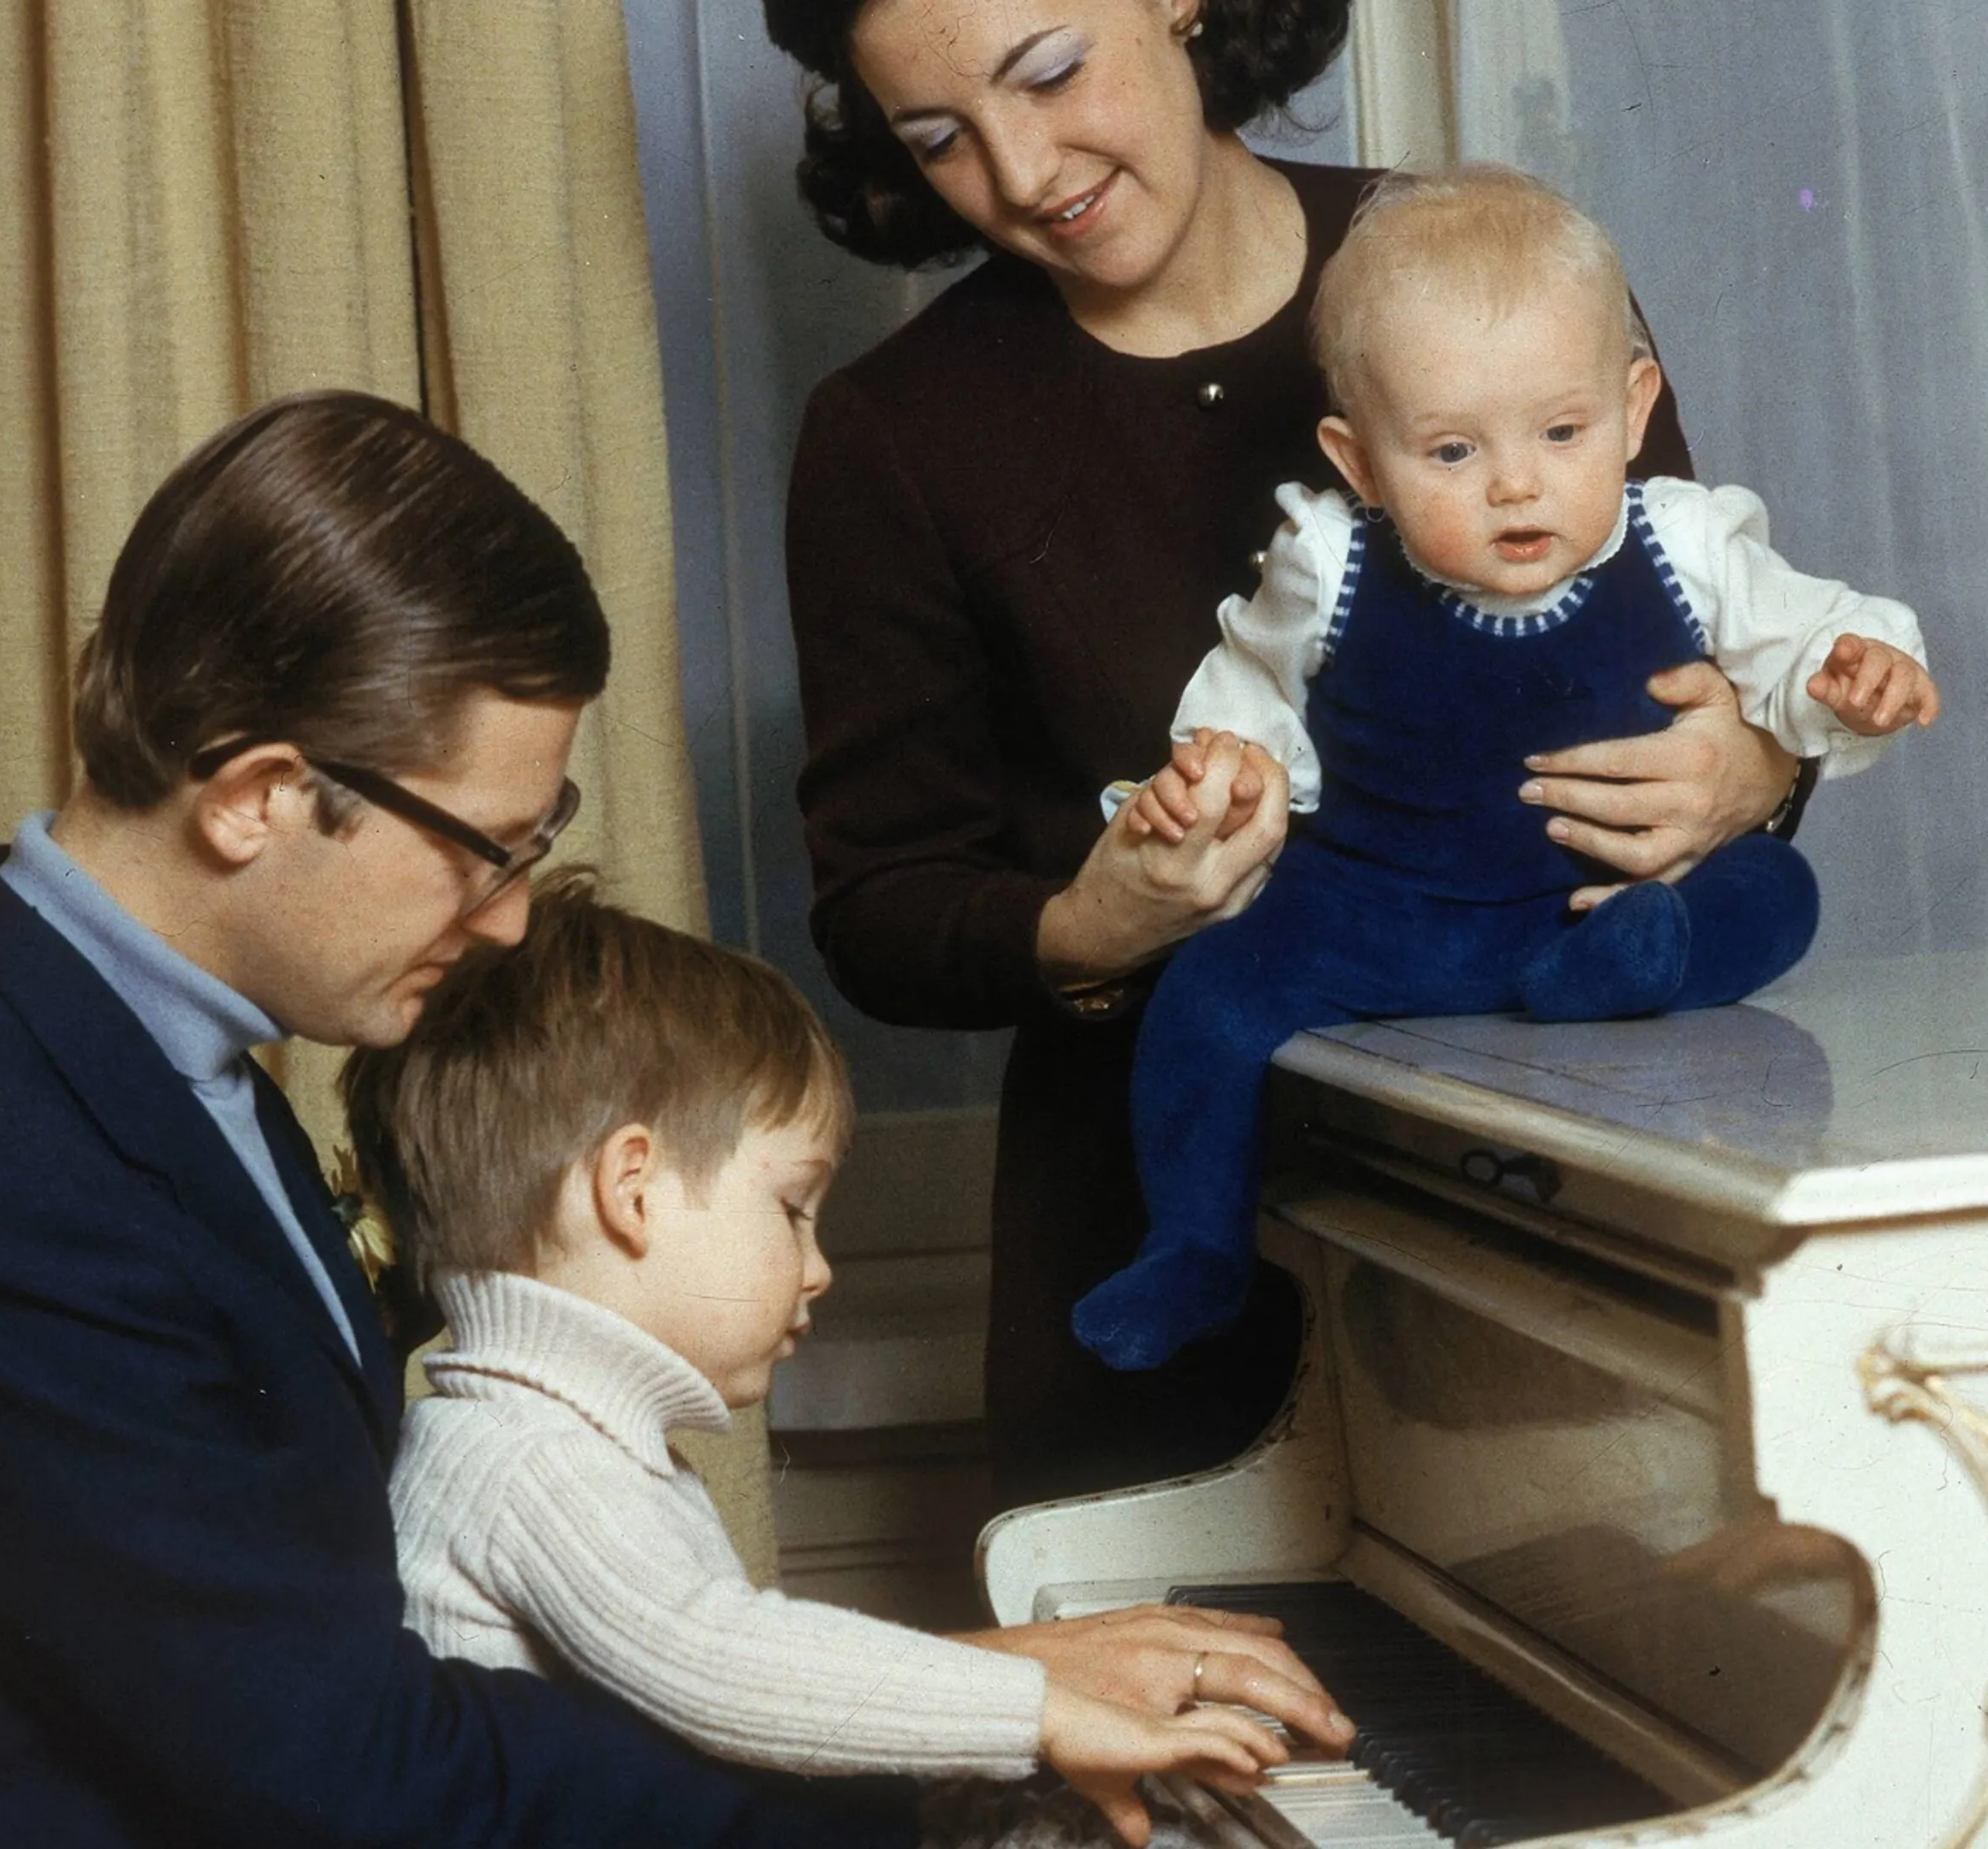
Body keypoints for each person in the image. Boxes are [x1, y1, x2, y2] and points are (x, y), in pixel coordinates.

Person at [0, 392, 913, 1847]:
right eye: (486, 851)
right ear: (260, 798)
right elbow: (350, 1781)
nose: (513, 917)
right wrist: (914, 1752)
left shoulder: (147, 1059)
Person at [766, 0, 1804, 1508]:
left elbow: (1704, 627)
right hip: (1148, 1243)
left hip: (1559, 1211)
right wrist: (1092, 926)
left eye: (1051, 73)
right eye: (938, 139)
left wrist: (1756, 767)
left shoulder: (1485, 265)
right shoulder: (894, 431)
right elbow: (880, 904)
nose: (1021, 168)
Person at [1075, 166, 1938, 1369]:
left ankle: (1629, 965)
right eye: (1450, 451)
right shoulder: (1329, 561)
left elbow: (1806, 639)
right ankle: (1196, 1248)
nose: (1516, 482)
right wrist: (1221, 771)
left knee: (1776, 896)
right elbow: (1251, 693)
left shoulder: (1684, 538)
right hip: (1382, 917)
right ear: (1360, 460)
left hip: (1603, 898)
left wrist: (1858, 672)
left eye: (1562, 431)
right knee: (1210, 993)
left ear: (1635, 410)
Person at [344, 873, 1356, 1847]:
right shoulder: (528, 1458)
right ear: (634, 1188)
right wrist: (1041, 1709)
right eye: (792, 1210)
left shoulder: (549, 1430)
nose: (818, 1270)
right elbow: (721, 1664)